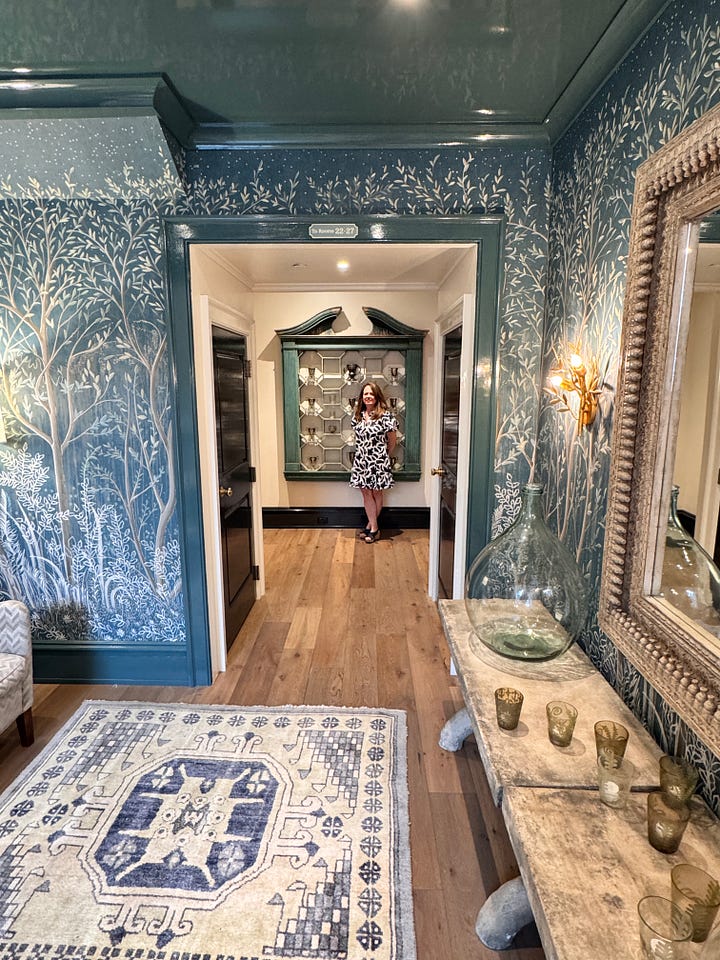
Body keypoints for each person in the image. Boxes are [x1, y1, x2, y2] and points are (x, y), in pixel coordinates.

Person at [350, 381, 397, 543]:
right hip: (361, 461)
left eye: (371, 394)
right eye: (365, 394)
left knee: (376, 492)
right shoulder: (357, 416)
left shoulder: (386, 416)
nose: (368, 396)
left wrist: (383, 456)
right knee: (365, 492)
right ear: (362, 397)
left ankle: (372, 528)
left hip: (378, 461)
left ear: (377, 397)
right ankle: (373, 527)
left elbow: (392, 441)